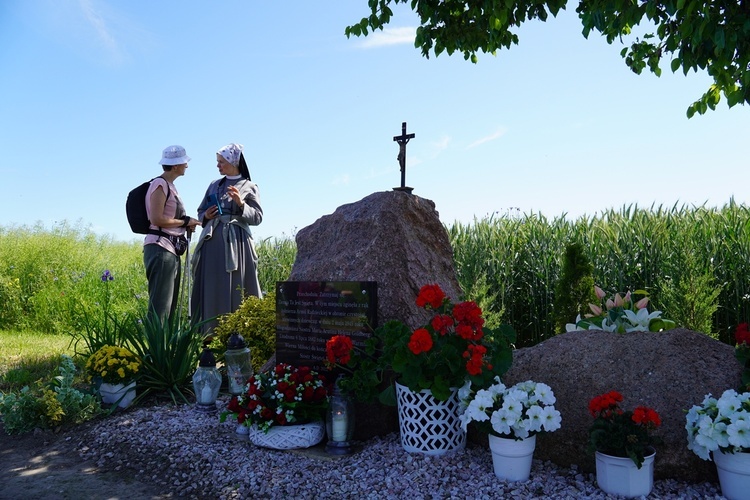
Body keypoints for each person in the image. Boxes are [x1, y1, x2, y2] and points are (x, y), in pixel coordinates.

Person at [191, 143, 263, 335]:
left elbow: (257, 217)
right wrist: (206, 215)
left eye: (221, 162)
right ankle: (210, 334)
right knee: (212, 286)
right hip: (212, 244)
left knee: (239, 286)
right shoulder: (214, 185)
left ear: (233, 162)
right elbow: (200, 212)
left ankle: (240, 334)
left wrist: (240, 204)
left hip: (238, 245)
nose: (218, 166)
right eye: (218, 162)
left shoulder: (249, 186)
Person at [143, 145, 200, 322]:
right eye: (184, 162)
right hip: (161, 248)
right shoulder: (159, 184)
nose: (187, 166)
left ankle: (164, 347)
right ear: (175, 166)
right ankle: (155, 349)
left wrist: (186, 223)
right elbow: (157, 219)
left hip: (168, 249)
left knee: (168, 306)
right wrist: (185, 222)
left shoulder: (169, 186)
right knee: (161, 306)